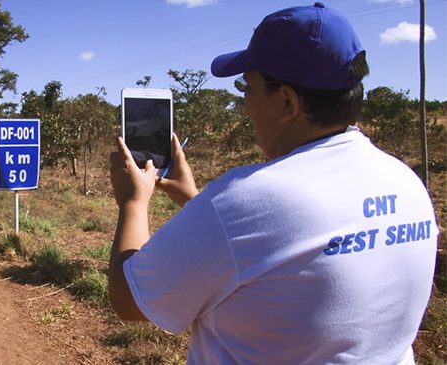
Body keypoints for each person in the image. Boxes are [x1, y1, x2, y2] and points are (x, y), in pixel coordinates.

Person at [108, 3, 438, 364]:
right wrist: (195, 203)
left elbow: (129, 299)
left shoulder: (248, 200)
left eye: (247, 87)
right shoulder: (407, 182)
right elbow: (285, 251)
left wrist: (133, 203)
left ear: (286, 101)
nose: (244, 106)